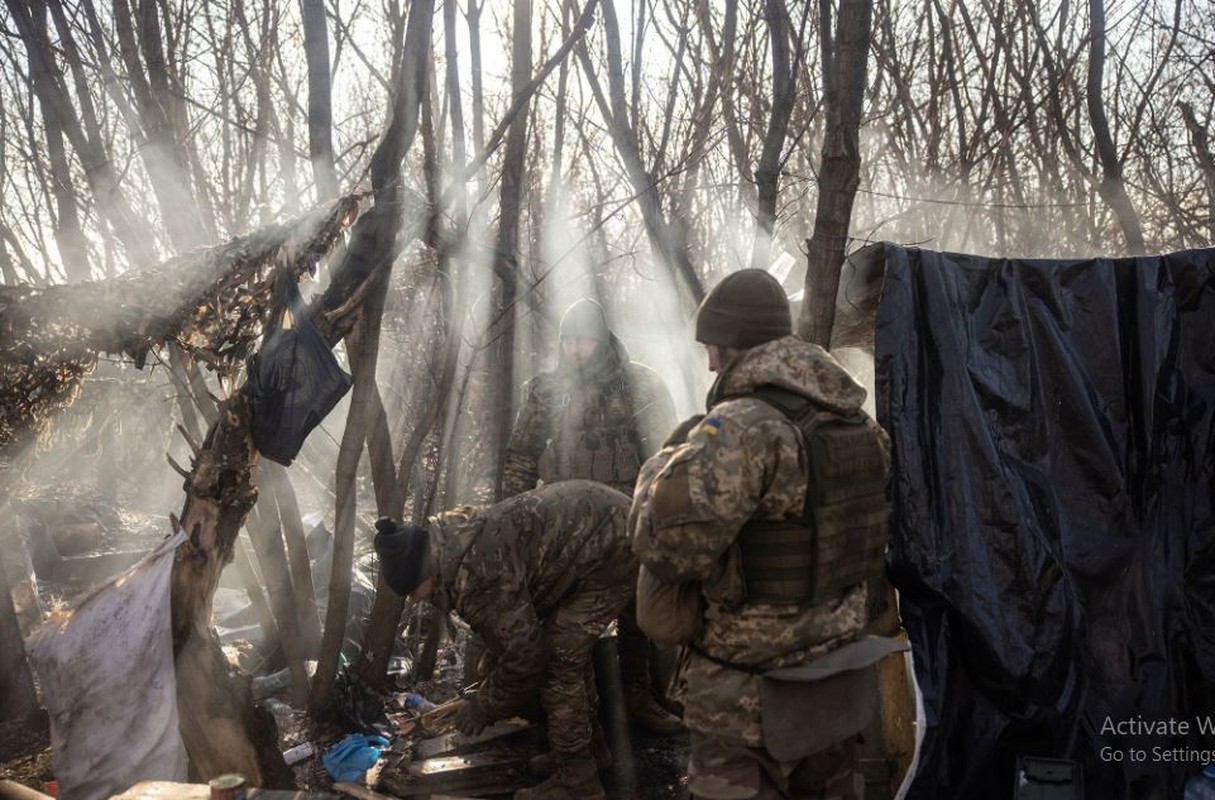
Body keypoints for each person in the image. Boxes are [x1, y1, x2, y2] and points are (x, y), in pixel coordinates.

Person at [629, 269, 894, 800]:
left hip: (747, 701)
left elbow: (665, 547)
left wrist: (659, 470)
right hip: (836, 686)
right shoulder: (859, 425)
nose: (708, 362)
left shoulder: (743, 429)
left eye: (713, 347)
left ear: (735, 346)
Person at [375, 480, 636, 800]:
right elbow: (510, 628)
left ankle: (578, 778)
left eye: (412, 591)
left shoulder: (475, 573)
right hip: (600, 534)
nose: (415, 601)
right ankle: (589, 751)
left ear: (424, 572)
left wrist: (485, 705)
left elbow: (527, 657)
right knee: (566, 652)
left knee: (559, 662)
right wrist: (488, 680)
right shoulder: (454, 540)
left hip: (614, 547)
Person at [502, 298, 682, 735]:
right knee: (569, 623)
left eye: (582, 340)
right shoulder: (546, 390)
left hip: (629, 518)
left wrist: (661, 514)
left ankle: (638, 696)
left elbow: (666, 455)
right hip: (566, 526)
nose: (574, 349)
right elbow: (522, 456)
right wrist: (510, 518)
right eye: (567, 341)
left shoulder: (639, 386)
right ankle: (581, 718)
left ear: (601, 341)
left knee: (637, 613)